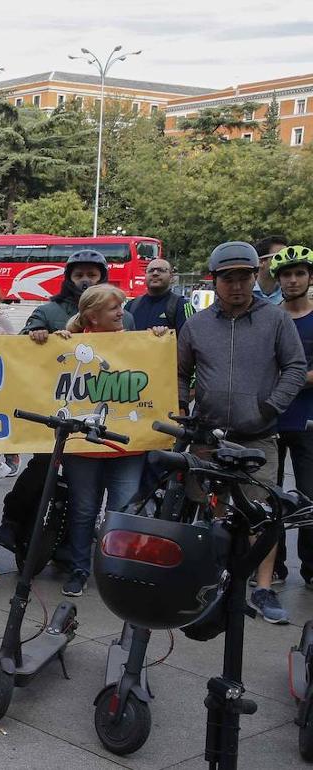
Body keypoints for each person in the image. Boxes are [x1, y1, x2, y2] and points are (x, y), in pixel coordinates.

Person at [177, 241, 306, 624]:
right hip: (207, 437)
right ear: (214, 280)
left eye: (244, 277)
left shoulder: (276, 319)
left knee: (263, 516)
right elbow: (180, 372)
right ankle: (210, 581)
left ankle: (263, 589)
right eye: (228, 278)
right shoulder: (196, 324)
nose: (236, 286)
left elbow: (295, 367)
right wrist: (184, 408)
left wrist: (270, 406)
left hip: (258, 436)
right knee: (205, 509)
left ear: (255, 277)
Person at [36, 284, 167, 597]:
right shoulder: (69, 345)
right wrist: (48, 341)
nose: (122, 313)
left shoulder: (140, 343)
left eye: (121, 306)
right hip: (84, 450)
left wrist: (159, 339)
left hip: (126, 447)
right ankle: (80, 570)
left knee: (122, 511)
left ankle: (117, 571)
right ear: (92, 317)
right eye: (114, 308)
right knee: (83, 511)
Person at [269, 245, 313, 588]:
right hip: (271, 420)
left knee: (309, 495)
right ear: (278, 279)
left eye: (300, 273)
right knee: (269, 496)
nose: (293, 280)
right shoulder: (270, 316)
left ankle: (310, 568)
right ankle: (275, 566)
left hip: (308, 420)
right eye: (287, 274)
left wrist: (290, 378)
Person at [22, 250, 135, 336]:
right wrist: (35, 334)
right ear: (69, 279)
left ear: (102, 278)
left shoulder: (126, 318)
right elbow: (17, 349)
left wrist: (152, 337)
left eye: (92, 275)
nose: (85, 280)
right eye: (79, 275)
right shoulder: (46, 313)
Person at [125, 258, 195, 333]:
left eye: (161, 270)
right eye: (151, 270)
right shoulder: (131, 306)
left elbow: (192, 338)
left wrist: (166, 337)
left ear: (171, 277)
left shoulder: (183, 306)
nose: (155, 273)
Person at [253, 235, 287, 305]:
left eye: (286, 257)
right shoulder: (245, 292)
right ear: (260, 262)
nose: (286, 261)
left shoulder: (289, 293)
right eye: (279, 257)